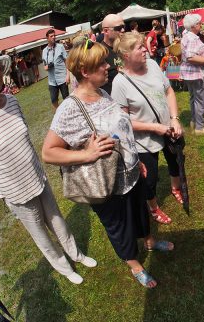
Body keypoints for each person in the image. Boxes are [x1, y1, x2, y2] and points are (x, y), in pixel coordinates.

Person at [42, 40, 172, 288]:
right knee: (119, 225)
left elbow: (121, 129)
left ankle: (149, 240)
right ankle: (134, 263)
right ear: (85, 72)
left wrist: (134, 160)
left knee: (140, 212)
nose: (107, 66)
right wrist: (86, 155)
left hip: (130, 173)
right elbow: (48, 152)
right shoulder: (69, 108)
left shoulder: (102, 93)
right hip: (105, 184)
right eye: (101, 63)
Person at [0, 47, 96, 286]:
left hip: (36, 176)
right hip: (14, 190)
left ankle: (77, 254)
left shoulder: (14, 102)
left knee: (56, 219)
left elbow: (24, 138)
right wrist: (1, 191)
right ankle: (64, 267)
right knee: (40, 233)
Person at [111, 32, 184, 225]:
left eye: (144, 45)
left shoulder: (152, 65)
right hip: (143, 142)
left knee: (176, 161)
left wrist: (175, 119)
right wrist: (153, 127)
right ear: (126, 55)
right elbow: (123, 121)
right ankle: (153, 208)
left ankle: (176, 188)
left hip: (169, 129)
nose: (146, 49)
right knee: (149, 180)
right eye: (140, 47)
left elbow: (169, 92)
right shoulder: (119, 83)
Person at [180, 13, 204, 134]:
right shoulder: (192, 38)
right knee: (201, 100)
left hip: (189, 74)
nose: (201, 25)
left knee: (194, 98)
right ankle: (200, 127)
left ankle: (194, 121)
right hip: (196, 74)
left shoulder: (186, 35)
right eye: (199, 23)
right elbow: (191, 57)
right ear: (193, 26)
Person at [42, 29, 70, 109]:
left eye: (54, 36)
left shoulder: (60, 47)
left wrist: (68, 75)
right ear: (47, 38)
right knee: (53, 100)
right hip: (52, 81)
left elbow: (66, 62)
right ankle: (59, 114)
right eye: (51, 36)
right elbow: (44, 66)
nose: (54, 37)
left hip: (62, 78)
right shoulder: (44, 51)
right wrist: (47, 67)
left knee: (66, 99)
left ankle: (68, 113)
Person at [99, 14, 126, 94]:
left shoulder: (125, 48)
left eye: (123, 26)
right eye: (118, 28)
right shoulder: (100, 53)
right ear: (106, 31)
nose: (123, 30)